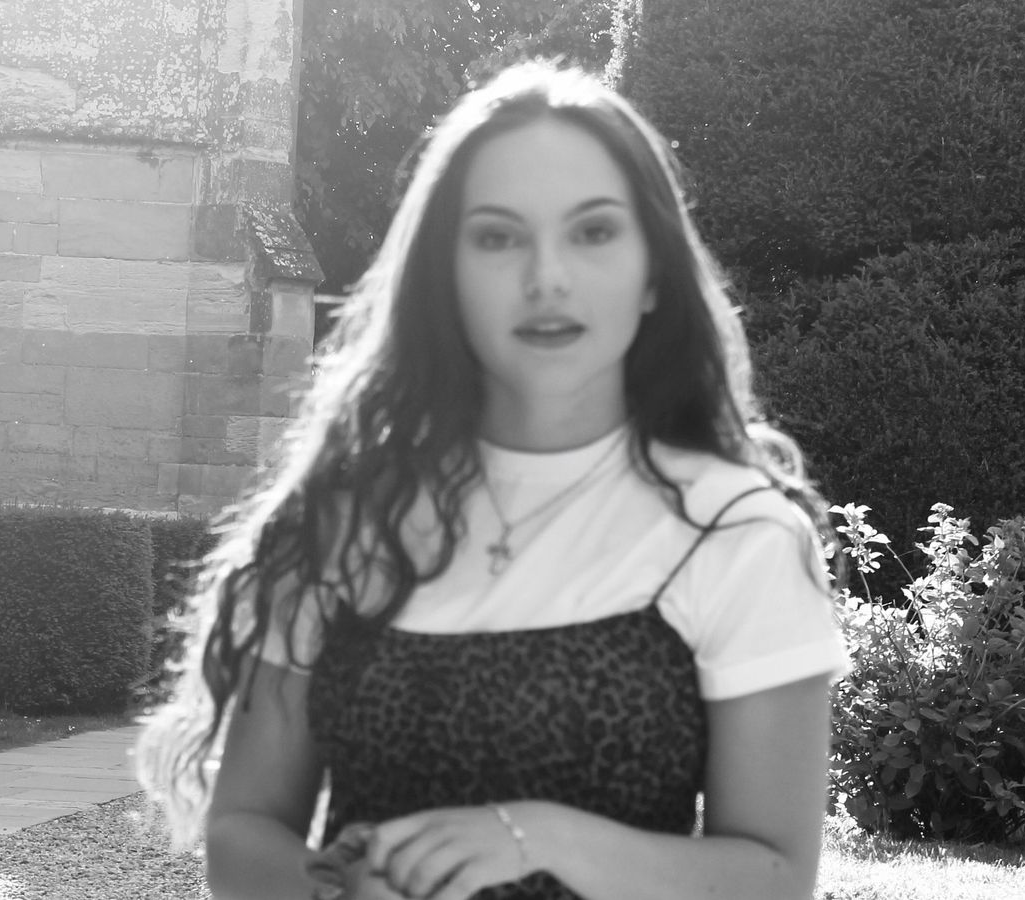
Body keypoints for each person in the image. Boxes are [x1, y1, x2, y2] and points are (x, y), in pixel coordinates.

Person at [136, 61, 847, 900]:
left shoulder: (735, 533)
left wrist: (542, 838)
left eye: (593, 232)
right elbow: (242, 834)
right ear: (445, 273)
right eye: (499, 237)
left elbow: (774, 876)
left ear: (654, 272)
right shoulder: (341, 519)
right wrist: (343, 894)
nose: (547, 278)